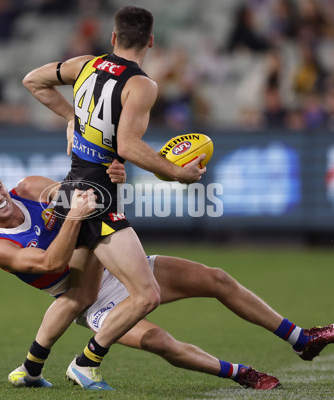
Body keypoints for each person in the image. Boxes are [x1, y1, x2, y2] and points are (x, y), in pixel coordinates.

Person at [0, 162, 334, 391]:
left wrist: (84, 191)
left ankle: (301, 339)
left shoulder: (27, 187)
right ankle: (239, 373)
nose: (1, 197)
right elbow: (51, 263)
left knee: (216, 278)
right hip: (89, 301)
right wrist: (75, 215)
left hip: (115, 265)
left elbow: (70, 193)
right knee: (159, 341)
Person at [21, 5, 206, 390]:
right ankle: (87, 362)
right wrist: (176, 173)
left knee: (79, 295)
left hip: (75, 189)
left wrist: (75, 118)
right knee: (146, 295)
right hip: (98, 200)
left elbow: (32, 81)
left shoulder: (85, 65)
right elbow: (128, 143)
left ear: (113, 37)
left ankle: (30, 369)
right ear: (151, 41)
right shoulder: (142, 85)